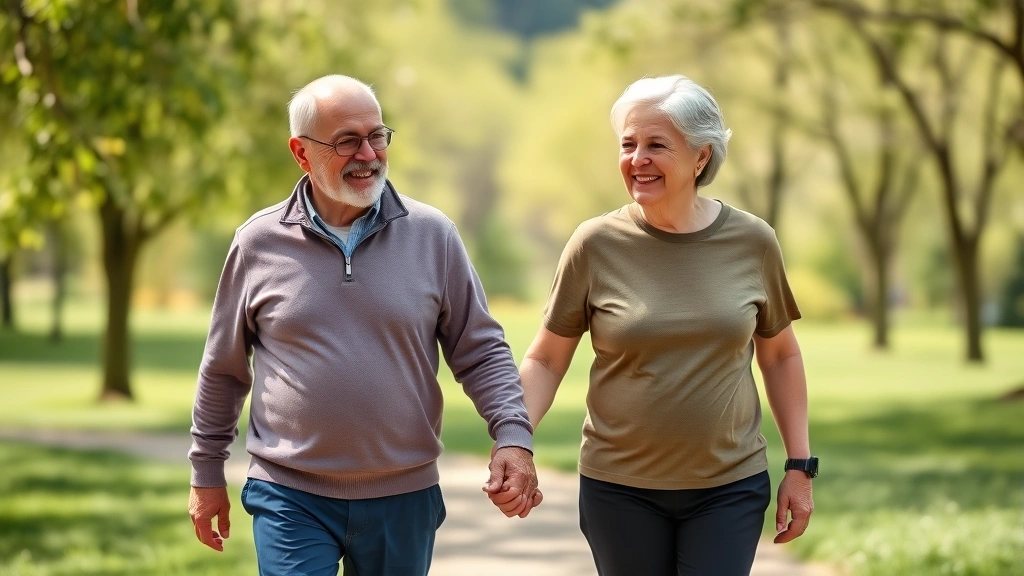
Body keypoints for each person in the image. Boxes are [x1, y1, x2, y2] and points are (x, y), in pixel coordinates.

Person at [187, 74, 541, 576]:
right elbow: (223, 369)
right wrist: (206, 474)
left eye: (377, 135)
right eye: (347, 141)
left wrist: (512, 436)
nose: (368, 154)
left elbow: (480, 350)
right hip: (290, 494)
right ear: (301, 152)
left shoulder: (433, 236)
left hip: (404, 494)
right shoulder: (258, 243)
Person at [497, 74, 817, 575]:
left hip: (728, 486)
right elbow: (545, 358)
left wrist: (800, 466)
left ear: (701, 156)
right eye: (628, 145)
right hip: (619, 489)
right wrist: (515, 441)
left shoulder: (753, 241)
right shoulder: (594, 243)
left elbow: (780, 354)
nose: (637, 159)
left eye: (656, 145)